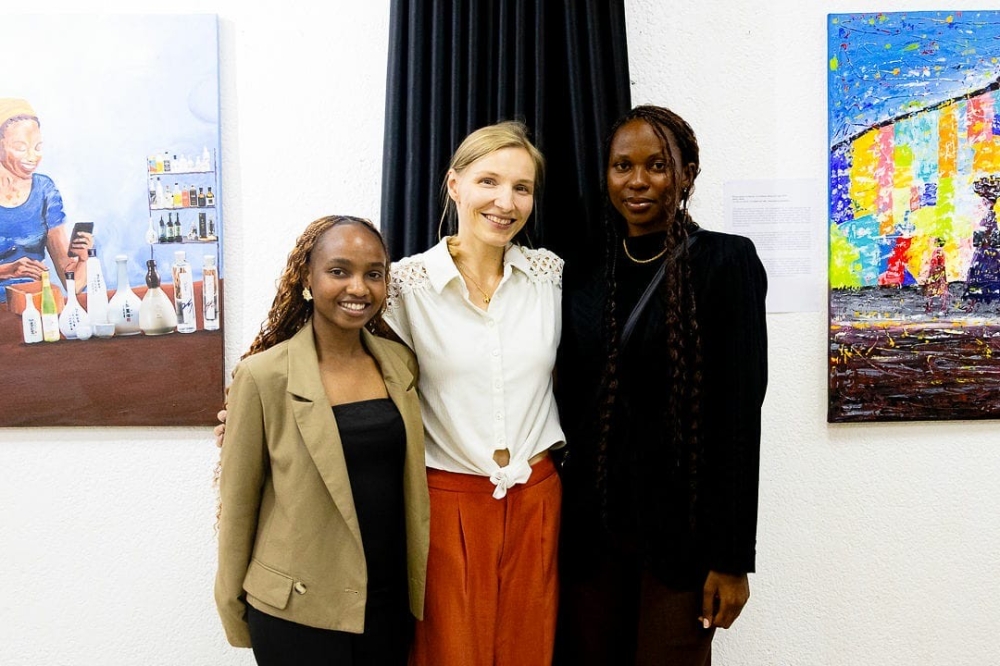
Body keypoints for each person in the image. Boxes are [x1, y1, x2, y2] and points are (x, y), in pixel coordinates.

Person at [555, 105, 768, 666]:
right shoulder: (581, 272)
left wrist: (732, 558)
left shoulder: (727, 262)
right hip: (591, 538)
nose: (638, 181)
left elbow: (739, 420)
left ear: (688, 174)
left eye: (657, 165)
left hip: (684, 543)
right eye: (622, 166)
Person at [383, 120, 564, 666]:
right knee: (447, 655)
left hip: (538, 500)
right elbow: (327, 352)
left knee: (529, 654)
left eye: (522, 187)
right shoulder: (402, 286)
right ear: (454, 184)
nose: (505, 201)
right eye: (489, 181)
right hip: (446, 503)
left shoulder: (549, 276)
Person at [214, 215, 430, 666]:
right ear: (307, 279)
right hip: (298, 612)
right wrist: (233, 609)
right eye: (339, 271)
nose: (359, 287)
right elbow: (238, 505)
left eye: (374, 274)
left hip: (386, 606)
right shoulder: (263, 375)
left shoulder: (400, 363)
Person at [0, 98, 91, 303]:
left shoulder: (44, 190)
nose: (32, 157)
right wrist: (7, 271)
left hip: (37, 305)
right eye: (21, 148)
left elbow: (73, 283)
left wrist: (84, 259)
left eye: (38, 147)